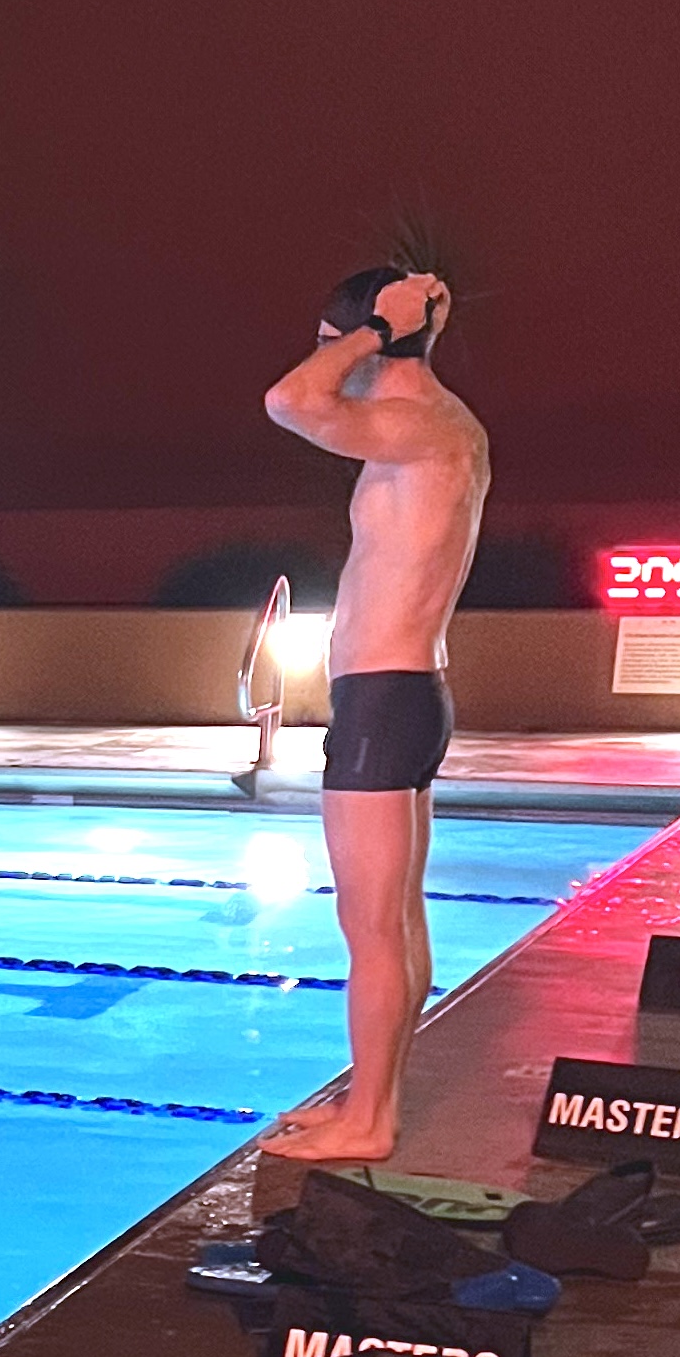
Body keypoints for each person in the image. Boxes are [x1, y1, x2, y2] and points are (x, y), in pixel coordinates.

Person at [258, 267, 490, 1163]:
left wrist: (372, 333)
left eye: (331, 340)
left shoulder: (411, 425)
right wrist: (396, 327)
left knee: (372, 927)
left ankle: (372, 1121)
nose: (326, 358)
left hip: (384, 699)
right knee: (398, 921)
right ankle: (371, 1099)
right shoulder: (447, 426)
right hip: (406, 694)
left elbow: (286, 401)